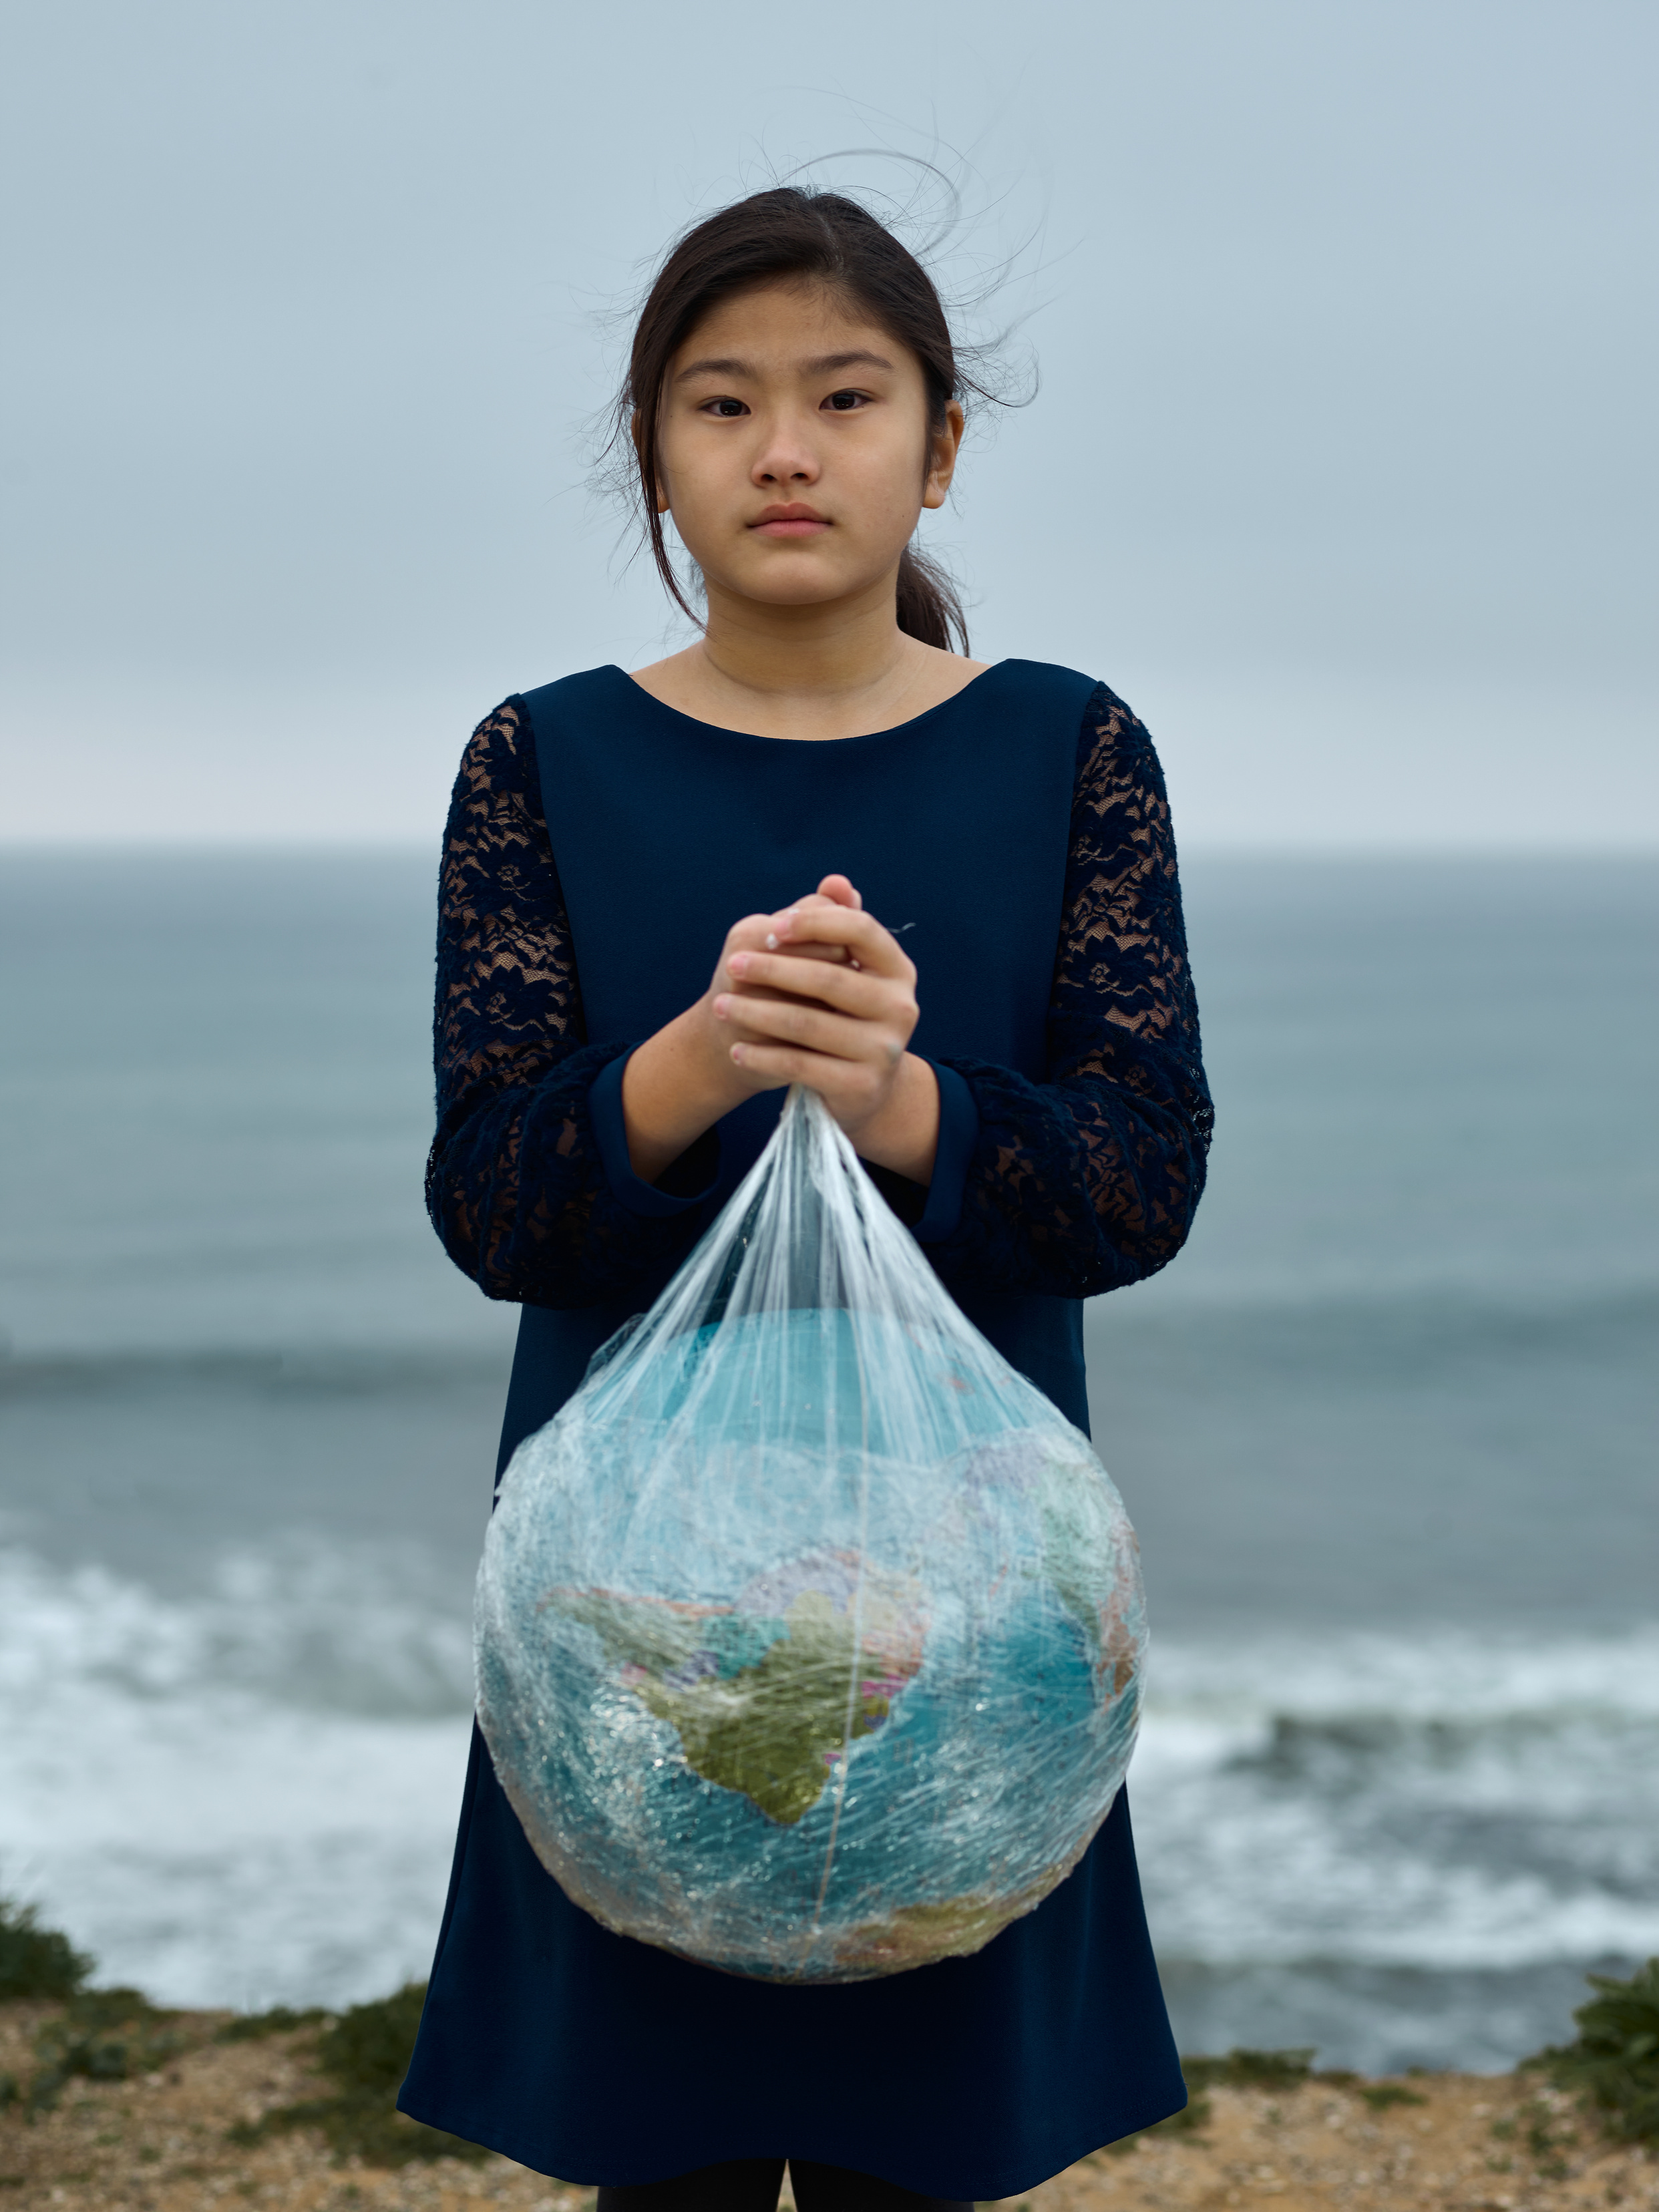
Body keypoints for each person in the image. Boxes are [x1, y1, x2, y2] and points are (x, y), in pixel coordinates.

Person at [399, 184, 1214, 2212]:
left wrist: (904, 1099)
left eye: (844, 398)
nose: (783, 449)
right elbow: (496, 1208)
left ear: (937, 447)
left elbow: (1140, 1180)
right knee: (657, 2176)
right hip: (639, 1649)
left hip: (960, 1649)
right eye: (721, 403)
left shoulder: (1072, 750)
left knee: (915, 2173)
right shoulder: (539, 761)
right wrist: (698, 1064)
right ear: (654, 455)